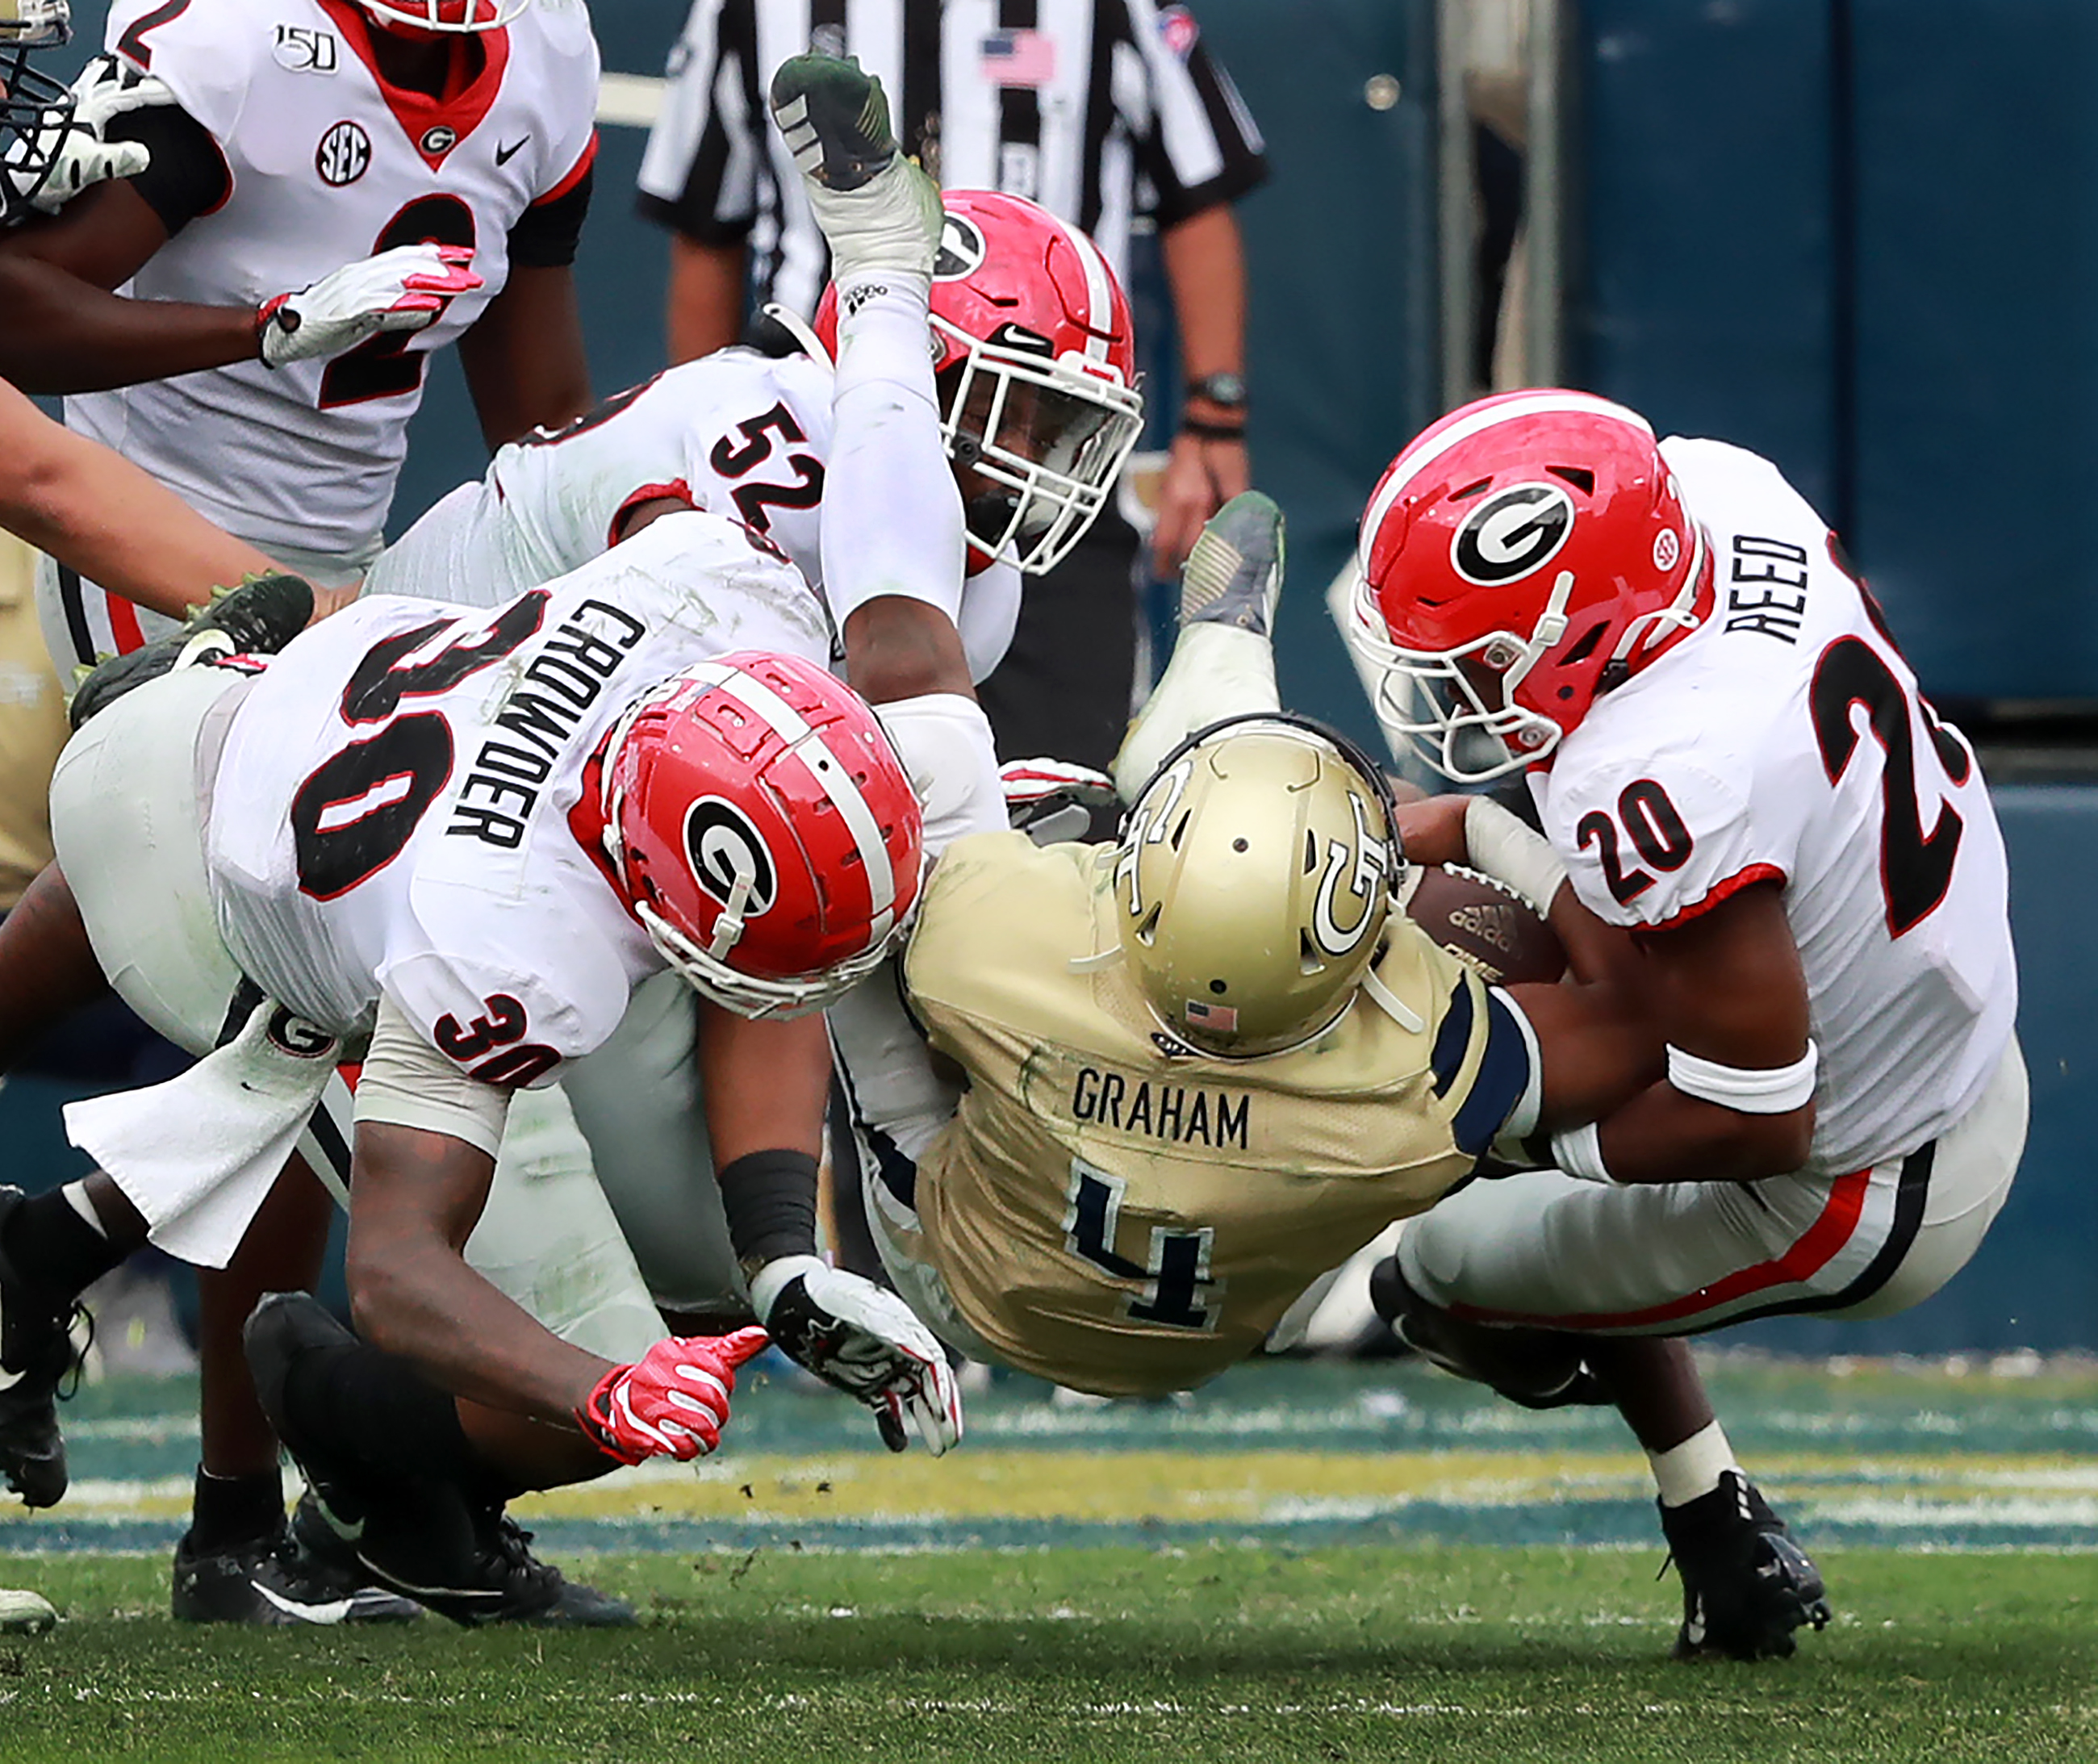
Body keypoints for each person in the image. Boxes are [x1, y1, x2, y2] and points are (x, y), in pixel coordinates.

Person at [357, 66, 1146, 1330]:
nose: (1043, 467)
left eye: (1067, 433)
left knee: (694, 1271)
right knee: (614, 1277)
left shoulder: (963, 583)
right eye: (1028, 418)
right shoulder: (769, 455)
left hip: (604, 805)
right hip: (452, 770)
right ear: (925, 374)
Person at [0, 0, 604, 1624]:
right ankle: (244, 1498)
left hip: (356, 581)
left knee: (294, 982)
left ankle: (198, 1468)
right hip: (154, 556)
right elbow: (24, 340)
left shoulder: (541, 58)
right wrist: (263, 325)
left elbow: (537, 402)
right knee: (308, 974)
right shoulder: (244, 43)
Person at [1342, 387, 2023, 1659]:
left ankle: (1595, 1380)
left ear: (1577, 621)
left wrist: (1505, 1136)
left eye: (1484, 655)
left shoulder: (1660, 766)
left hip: (1852, 1170)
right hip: (1923, 1006)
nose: (1463, 686)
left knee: (1434, 1266)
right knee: (1530, 1043)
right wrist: (1488, 830)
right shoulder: (1714, 495)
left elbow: (1748, 1114)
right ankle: (1724, 1528)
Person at [637, 0, 1264, 783]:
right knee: (780, 774)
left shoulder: (1112, 11)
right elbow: (706, 225)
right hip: (820, 449)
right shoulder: (744, 10)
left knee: (1057, 787)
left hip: (1036, 453)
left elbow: (1196, 194)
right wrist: (706, 418)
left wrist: (1215, 416)